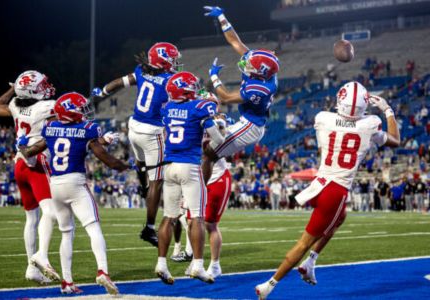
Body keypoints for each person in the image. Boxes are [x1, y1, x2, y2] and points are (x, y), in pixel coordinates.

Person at [255, 82, 400, 299]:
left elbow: (332, 135)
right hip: (336, 190)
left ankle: (310, 263)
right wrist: (387, 109)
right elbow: (395, 140)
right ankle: (269, 284)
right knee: (304, 242)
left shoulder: (323, 118)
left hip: (319, 184)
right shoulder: (371, 123)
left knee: (340, 217)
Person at [20, 92, 129, 295]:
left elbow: (29, 152)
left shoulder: (51, 128)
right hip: (76, 183)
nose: (85, 113)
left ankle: (67, 282)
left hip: (56, 185)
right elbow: (103, 156)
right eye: (81, 110)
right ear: (71, 113)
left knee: (66, 233)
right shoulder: (87, 129)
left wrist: (21, 143)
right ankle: (103, 271)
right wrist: (123, 165)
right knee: (93, 227)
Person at [93, 42, 182, 247]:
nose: (176, 63)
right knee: (157, 182)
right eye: (173, 59)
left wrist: (103, 92)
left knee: (142, 164)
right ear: (164, 62)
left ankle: (144, 187)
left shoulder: (141, 71)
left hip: (134, 127)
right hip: (152, 131)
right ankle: (149, 228)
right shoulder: (169, 80)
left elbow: (117, 83)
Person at [154, 71, 225, 285]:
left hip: (169, 166)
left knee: (169, 217)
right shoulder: (199, 107)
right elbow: (219, 139)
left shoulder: (166, 108)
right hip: (189, 166)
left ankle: (161, 263)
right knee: (197, 217)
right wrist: (206, 139)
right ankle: (197, 265)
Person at [0, 70, 58, 284]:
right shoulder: (45, 107)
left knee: (32, 218)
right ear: (31, 91)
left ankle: (31, 267)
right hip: (36, 164)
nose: (45, 87)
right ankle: (41, 257)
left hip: (19, 164)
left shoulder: (15, 106)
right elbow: (72, 112)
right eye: (41, 85)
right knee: (51, 213)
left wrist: (12, 88)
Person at [202, 6, 279, 179]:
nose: (246, 64)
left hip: (251, 126)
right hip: (247, 119)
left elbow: (226, 97)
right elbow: (235, 42)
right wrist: (222, 17)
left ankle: (202, 195)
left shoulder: (260, 89)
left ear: (260, 73)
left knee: (209, 154)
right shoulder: (262, 72)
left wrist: (214, 77)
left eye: (251, 65)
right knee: (210, 148)